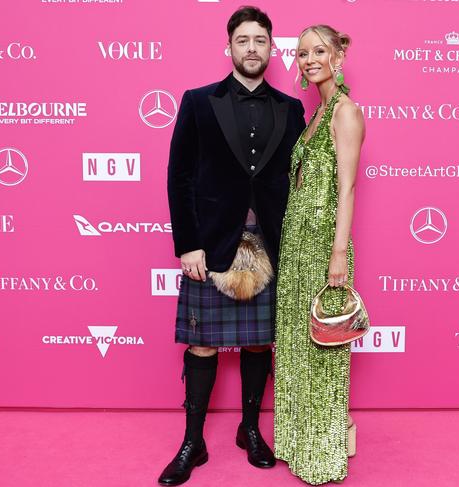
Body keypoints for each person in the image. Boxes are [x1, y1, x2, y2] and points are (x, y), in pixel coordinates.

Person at [159, 6, 306, 486]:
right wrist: (188, 243)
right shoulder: (198, 102)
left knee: (260, 340)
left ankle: (249, 429)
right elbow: (179, 176)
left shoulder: (291, 109)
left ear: (271, 47)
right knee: (201, 343)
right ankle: (193, 440)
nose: (251, 48)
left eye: (259, 41)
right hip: (212, 244)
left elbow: (296, 182)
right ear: (229, 47)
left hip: (270, 246)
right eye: (242, 40)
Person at [273, 25, 365, 485]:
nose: (308, 60)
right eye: (302, 53)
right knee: (295, 345)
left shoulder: (345, 112)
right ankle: (296, 439)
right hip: (296, 243)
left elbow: (346, 187)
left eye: (318, 51)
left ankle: (326, 446)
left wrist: (338, 253)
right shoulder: (316, 114)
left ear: (337, 54)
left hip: (323, 245)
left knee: (322, 349)